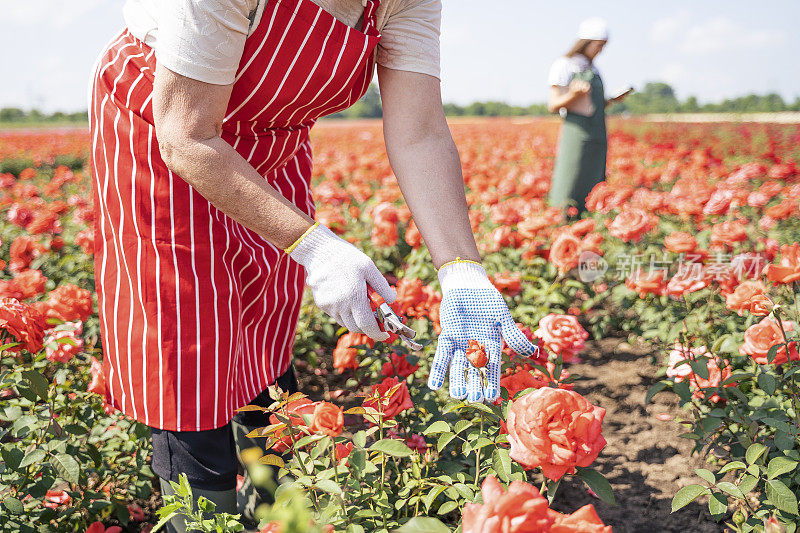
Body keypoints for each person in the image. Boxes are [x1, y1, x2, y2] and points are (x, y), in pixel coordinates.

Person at [88, 0, 538, 529]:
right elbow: (186, 135)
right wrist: (314, 245)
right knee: (189, 337)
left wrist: (461, 266)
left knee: (263, 322)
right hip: (162, 128)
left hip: (271, 142)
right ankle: (203, 515)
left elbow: (419, 132)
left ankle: (276, 508)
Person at [547, 17, 630, 215]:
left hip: (597, 131)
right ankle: (563, 219)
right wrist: (573, 94)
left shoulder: (593, 68)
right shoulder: (564, 64)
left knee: (593, 178)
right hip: (576, 132)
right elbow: (553, 104)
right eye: (599, 45)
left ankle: (588, 218)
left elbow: (593, 105)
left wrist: (611, 100)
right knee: (571, 176)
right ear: (586, 42)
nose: (600, 50)